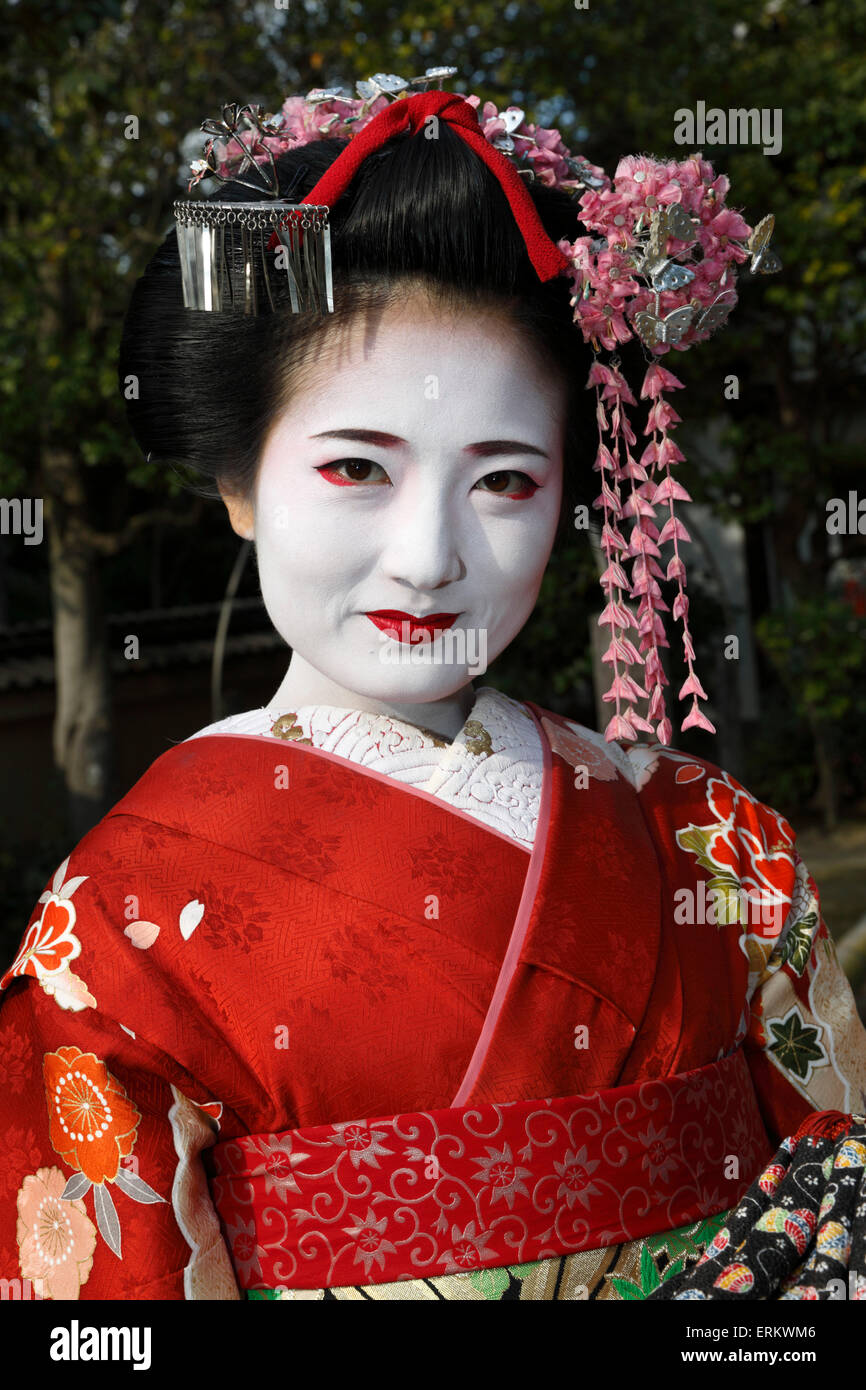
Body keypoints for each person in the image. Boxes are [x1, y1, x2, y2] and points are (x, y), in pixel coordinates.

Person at [1, 77, 865, 1303]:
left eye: (504, 481)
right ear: (238, 484)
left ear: (575, 489)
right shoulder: (120, 920)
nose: (429, 555)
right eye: (357, 466)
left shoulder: (711, 844)